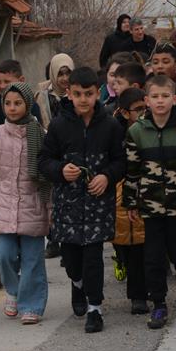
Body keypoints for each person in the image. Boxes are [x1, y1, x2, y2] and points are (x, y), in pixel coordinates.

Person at [38, 66, 127, 334]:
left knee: (93, 258)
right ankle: (77, 285)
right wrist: (60, 171)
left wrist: (107, 177)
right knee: (72, 258)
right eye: (78, 94)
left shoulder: (110, 124)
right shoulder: (59, 125)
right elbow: (44, 160)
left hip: (98, 203)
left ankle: (95, 309)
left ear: (97, 93)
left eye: (88, 94)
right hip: (68, 204)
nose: (83, 99)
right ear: (69, 93)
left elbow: (121, 161)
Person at [124, 74, 176, 330]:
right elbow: (132, 170)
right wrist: (131, 202)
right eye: (155, 97)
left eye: (165, 96)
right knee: (153, 259)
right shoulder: (137, 131)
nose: (160, 101)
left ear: (174, 98)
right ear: (147, 100)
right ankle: (159, 304)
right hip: (151, 207)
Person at [0, 82, 51, 324]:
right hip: (4, 205)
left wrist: (51, 209)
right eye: (7, 103)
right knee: (3, 254)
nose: (12, 107)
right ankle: (13, 290)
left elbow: (48, 178)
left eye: (18, 103)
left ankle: (32, 306)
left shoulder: (40, 135)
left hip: (34, 205)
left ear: (27, 104)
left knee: (32, 260)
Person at [111, 88, 148, 313]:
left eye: (145, 108)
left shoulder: (153, 128)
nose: (144, 113)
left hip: (148, 193)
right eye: (138, 109)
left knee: (141, 247)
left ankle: (140, 295)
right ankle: (120, 260)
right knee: (126, 244)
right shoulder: (115, 134)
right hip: (121, 194)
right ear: (125, 113)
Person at [36, 53, 74, 129]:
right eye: (60, 74)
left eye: (68, 73)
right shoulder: (43, 97)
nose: (65, 78)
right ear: (53, 74)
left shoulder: (78, 93)